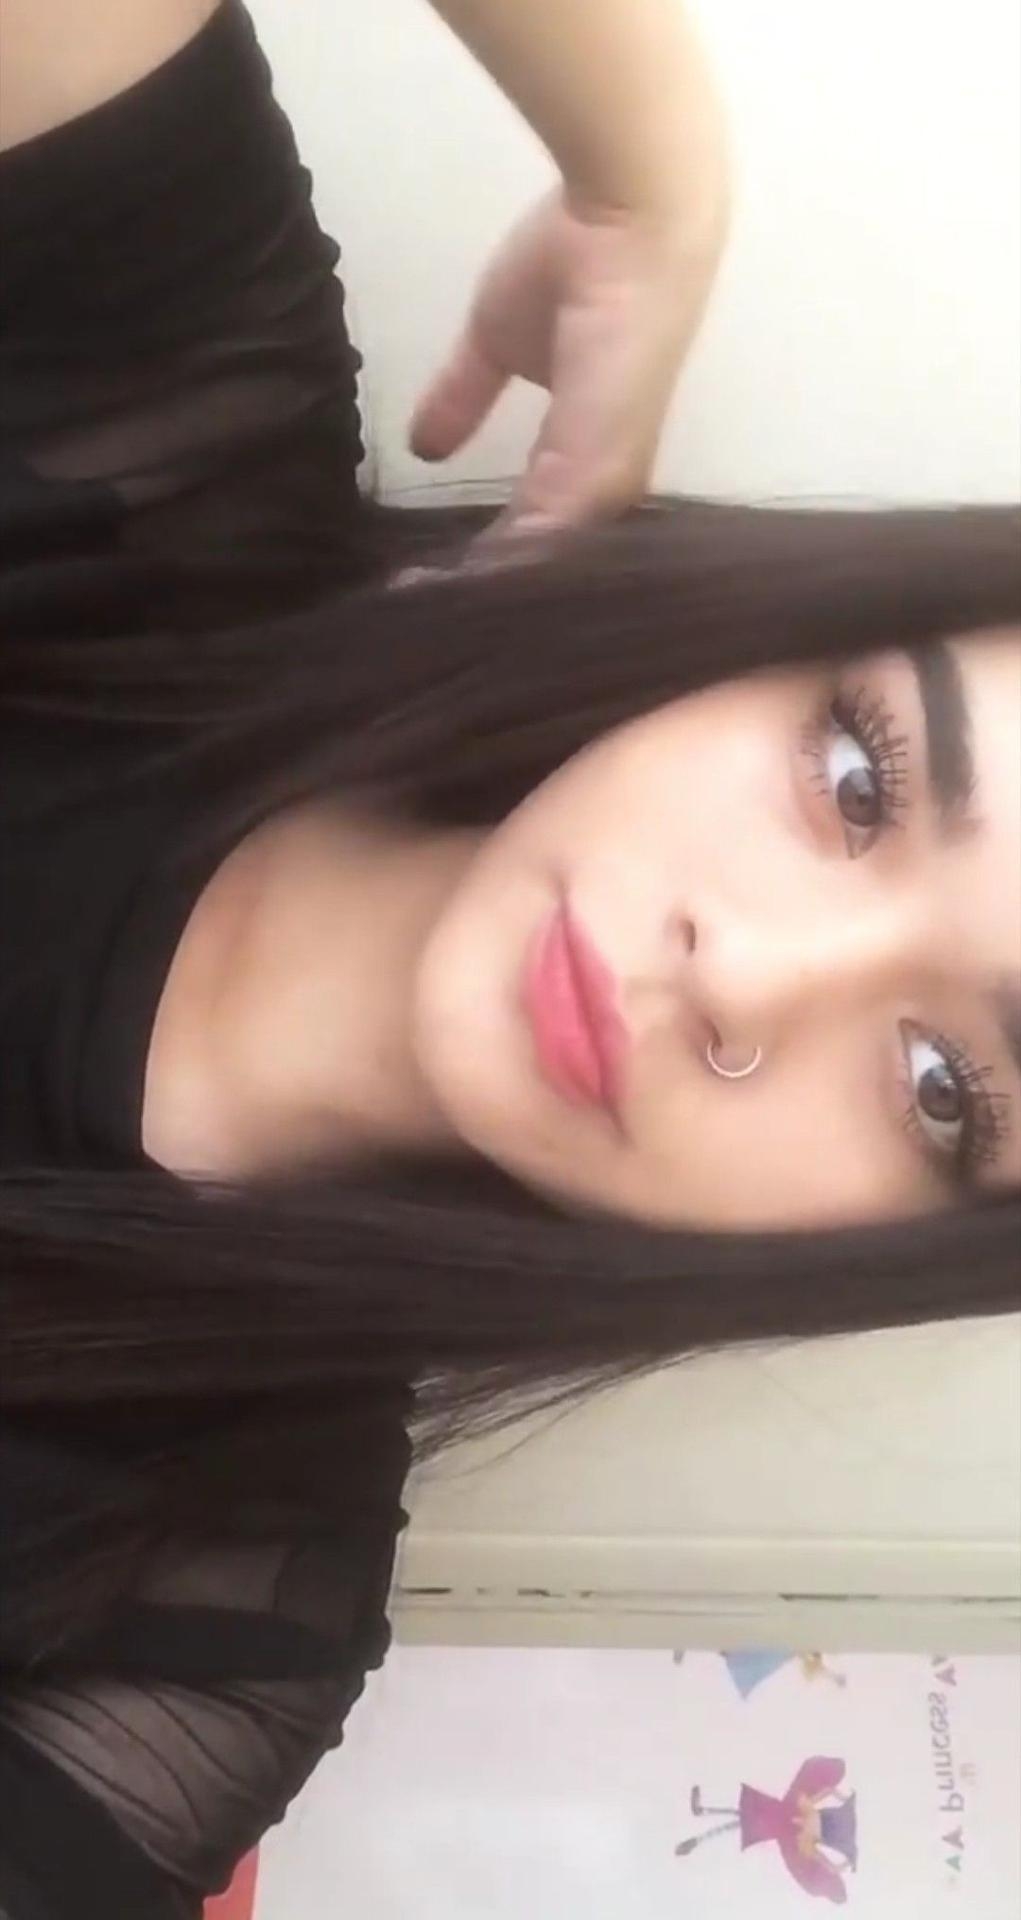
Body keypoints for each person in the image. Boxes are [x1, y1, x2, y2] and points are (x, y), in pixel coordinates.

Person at [0, 3, 1018, 1916]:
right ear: (767, 648)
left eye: (940, 1089)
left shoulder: (203, 1616)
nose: (746, 974)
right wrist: (649, 170)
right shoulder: (159, 433)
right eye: (856, 775)